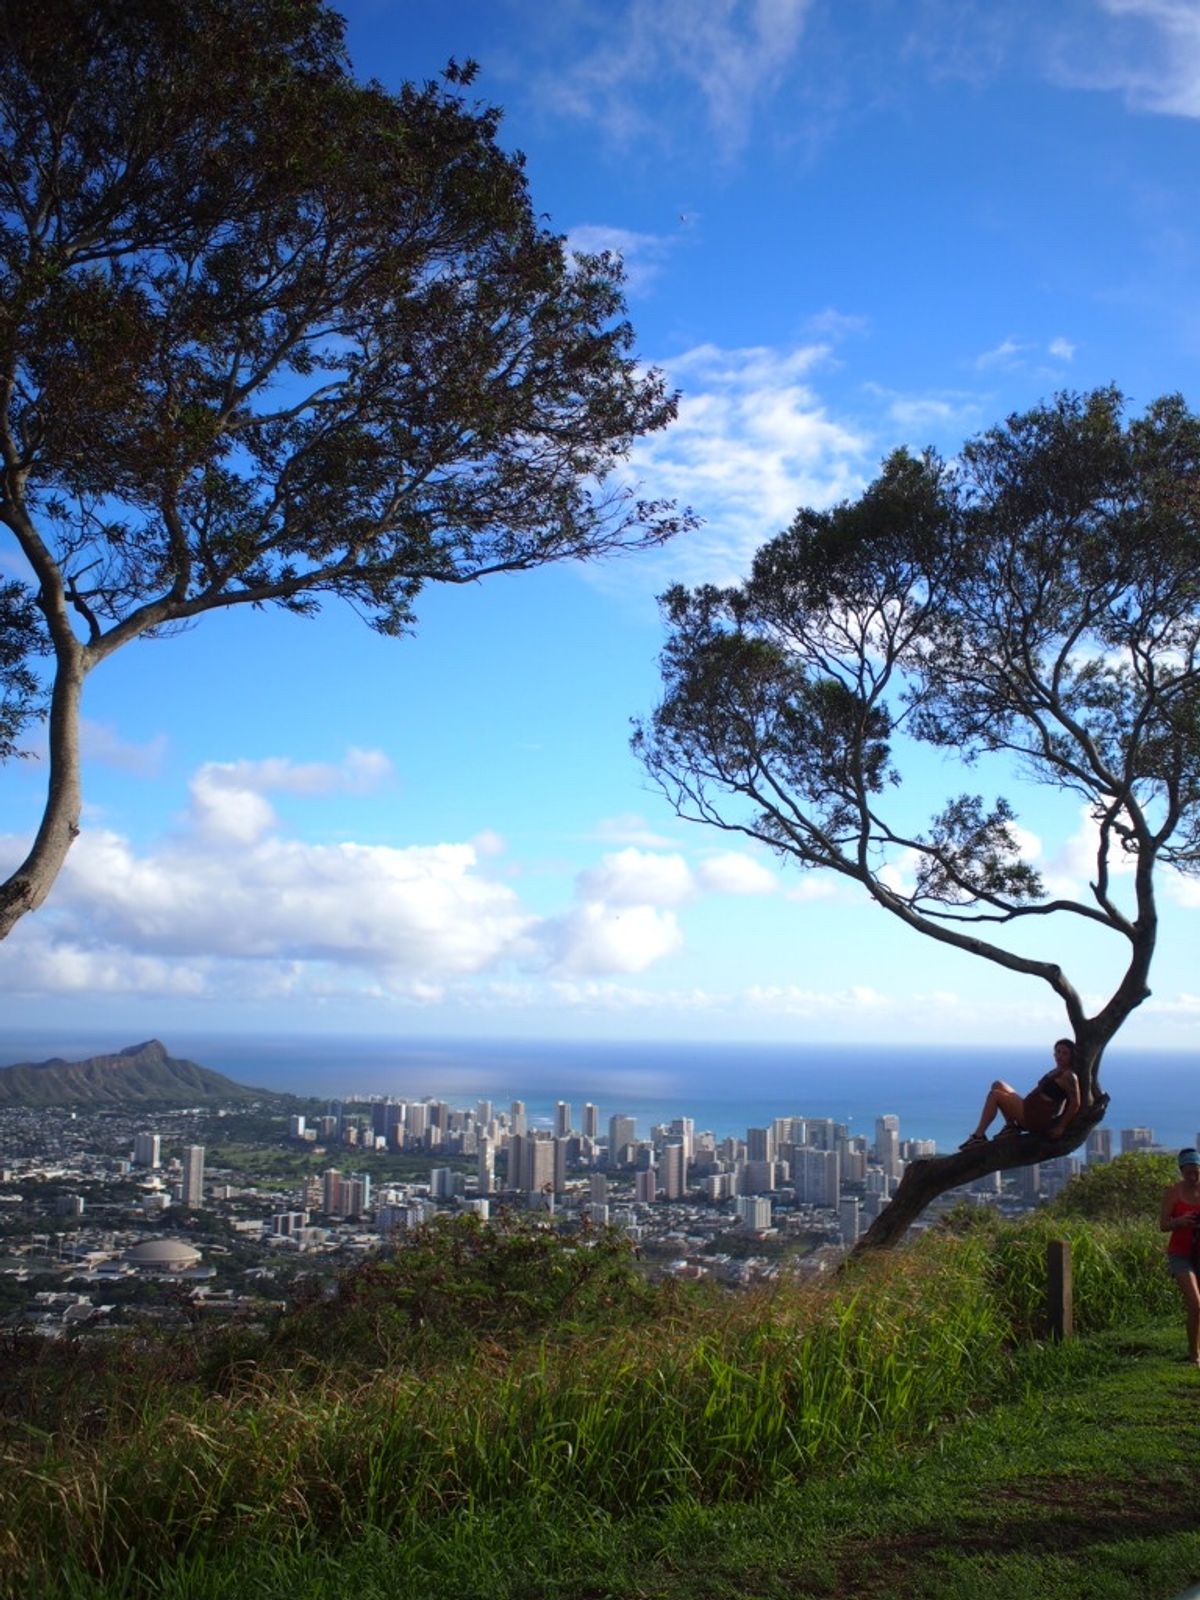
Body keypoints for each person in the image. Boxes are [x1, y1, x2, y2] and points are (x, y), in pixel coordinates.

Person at [959, 1038, 1082, 1148]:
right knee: (998, 1084)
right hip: (1029, 1110)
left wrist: (1061, 1126)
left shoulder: (1069, 1075)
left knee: (995, 1095)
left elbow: (1075, 1103)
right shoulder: (1057, 1070)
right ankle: (1011, 1126)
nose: (1060, 1056)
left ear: (1071, 1056)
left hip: (1036, 1119)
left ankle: (978, 1136)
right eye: (1058, 1052)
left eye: (1065, 1053)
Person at [1161, 1148, 1200, 1365]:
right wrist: (1180, 1221)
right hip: (1181, 1253)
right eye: (1188, 1173)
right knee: (1195, 1303)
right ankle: (1194, 1354)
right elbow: (1163, 1225)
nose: (1193, 1177)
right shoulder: (1174, 1193)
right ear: (1181, 1171)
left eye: (1196, 1172)